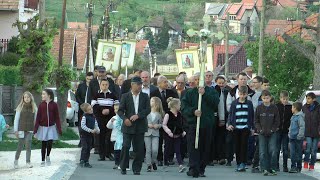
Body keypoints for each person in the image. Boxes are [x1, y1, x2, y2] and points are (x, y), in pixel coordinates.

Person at [182, 81, 220, 177]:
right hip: (193, 124)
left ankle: (201, 168)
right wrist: (193, 111)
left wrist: (204, 94)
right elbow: (184, 107)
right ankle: (193, 168)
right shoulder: (189, 93)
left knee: (205, 147)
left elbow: (215, 103)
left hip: (207, 124)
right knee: (193, 147)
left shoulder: (211, 91)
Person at [118, 77, 151, 175]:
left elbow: (148, 109)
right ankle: (123, 167)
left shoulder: (145, 96)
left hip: (140, 125)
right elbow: (120, 110)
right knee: (125, 146)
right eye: (138, 84)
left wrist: (138, 115)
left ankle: (137, 168)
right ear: (132, 85)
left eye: (141, 84)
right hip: (128, 125)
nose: (140, 86)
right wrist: (125, 119)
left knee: (139, 148)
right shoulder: (125, 96)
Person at [150, 75, 178, 166]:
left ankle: (169, 157)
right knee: (159, 139)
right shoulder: (153, 93)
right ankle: (159, 158)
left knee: (169, 139)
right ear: (159, 84)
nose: (166, 84)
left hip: (169, 119)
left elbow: (175, 104)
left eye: (167, 82)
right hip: (157, 119)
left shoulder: (171, 92)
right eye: (164, 82)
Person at [227, 86, 254, 172]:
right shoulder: (234, 103)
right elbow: (230, 115)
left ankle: (243, 163)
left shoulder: (249, 103)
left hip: (245, 128)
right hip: (236, 128)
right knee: (237, 146)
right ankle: (238, 163)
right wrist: (229, 124)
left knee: (244, 146)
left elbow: (252, 116)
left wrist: (252, 127)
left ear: (246, 94)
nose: (242, 96)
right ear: (238, 93)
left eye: (244, 94)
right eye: (241, 94)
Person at [91, 79, 118, 161]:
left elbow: (116, 105)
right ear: (100, 85)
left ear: (108, 85)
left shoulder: (113, 95)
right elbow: (94, 105)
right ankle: (101, 154)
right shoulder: (96, 95)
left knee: (109, 136)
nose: (104, 86)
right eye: (103, 84)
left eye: (106, 84)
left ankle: (109, 153)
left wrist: (109, 110)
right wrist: (102, 110)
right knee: (101, 136)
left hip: (110, 118)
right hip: (100, 118)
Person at [34, 89, 62, 167]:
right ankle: (42, 160)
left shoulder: (54, 105)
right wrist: (35, 129)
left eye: (44, 94)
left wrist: (59, 129)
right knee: (43, 143)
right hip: (43, 127)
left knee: (50, 142)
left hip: (51, 127)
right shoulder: (41, 105)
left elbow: (57, 117)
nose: (42, 96)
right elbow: (38, 117)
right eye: (42, 94)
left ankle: (48, 156)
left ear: (49, 95)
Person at [255, 90, 280, 176]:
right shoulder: (259, 108)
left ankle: (272, 168)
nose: (266, 99)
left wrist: (273, 130)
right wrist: (259, 129)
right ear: (262, 98)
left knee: (273, 151)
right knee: (262, 152)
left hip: (272, 133)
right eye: (264, 98)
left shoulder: (274, 108)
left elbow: (277, 121)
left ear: (270, 98)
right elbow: (256, 121)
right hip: (262, 133)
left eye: (267, 98)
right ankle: (264, 169)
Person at [13, 92, 37, 169]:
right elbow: (16, 119)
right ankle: (16, 161)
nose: (26, 99)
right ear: (23, 98)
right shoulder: (20, 107)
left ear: (31, 98)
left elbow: (35, 120)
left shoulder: (34, 108)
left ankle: (28, 162)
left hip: (30, 130)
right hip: (21, 130)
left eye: (28, 97)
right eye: (25, 97)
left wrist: (35, 130)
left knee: (28, 147)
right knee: (20, 147)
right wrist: (15, 130)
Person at [163, 98, 187, 172]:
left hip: (177, 135)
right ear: (175, 106)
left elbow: (180, 124)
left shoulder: (179, 114)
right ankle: (165, 161)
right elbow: (164, 124)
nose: (180, 106)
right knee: (168, 149)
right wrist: (169, 132)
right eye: (179, 105)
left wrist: (182, 132)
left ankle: (180, 165)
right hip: (169, 135)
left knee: (178, 150)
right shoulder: (168, 114)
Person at [144, 97, 164, 172]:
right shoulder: (147, 112)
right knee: (148, 149)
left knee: (155, 149)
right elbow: (143, 122)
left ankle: (153, 161)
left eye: (152, 101)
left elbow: (162, 124)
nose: (151, 102)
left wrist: (158, 126)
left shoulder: (159, 114)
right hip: (147, 133)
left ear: (156, 103)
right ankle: (149, 165)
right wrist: (147, 124)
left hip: (155, 133)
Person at [213, 76, 229, 166]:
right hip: (215, 117)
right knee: (214, 137)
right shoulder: (213, 91)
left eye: (223, 83)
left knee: (222, 138)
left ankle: (222, 157)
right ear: (216, 82)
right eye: (219, 83)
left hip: (224, 117)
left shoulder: (227, 92)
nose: (221, 85)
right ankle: (214, 157)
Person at [302, 92, 320, 170]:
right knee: (308, 148)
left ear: (314, 99)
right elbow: (301, 119)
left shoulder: (318, 108)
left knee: (314, 150)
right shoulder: (304, 107)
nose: (307, 100)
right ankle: (306, 162)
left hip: (316, 132)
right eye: (307, 98)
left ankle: (312, 164)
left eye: (309, 98)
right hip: (307, 131)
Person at [275, 91, 292, 172]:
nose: (285, 100)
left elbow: (292, 119)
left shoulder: (290, 107)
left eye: (286, 99)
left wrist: (290, 128)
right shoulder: (277, 106)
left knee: (285, 149)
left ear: (288, 98)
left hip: (286, 131)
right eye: (283, 99)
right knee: (277, 148)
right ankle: (276, 165)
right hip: (278, 130)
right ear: (280, 98)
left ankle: (285, 166)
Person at [76, 72, 94, 147]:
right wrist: (82, 105)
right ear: (86, 78)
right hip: (82, 108)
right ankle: (81, 140)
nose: (89, 80)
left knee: (90, 124)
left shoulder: (94, 86)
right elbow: (77, 96)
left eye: (91, 79)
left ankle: (91, 142)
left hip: (90, 109)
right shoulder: (81, 86)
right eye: (88, 79)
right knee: (81, 124)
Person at [79, 103, 100, 168]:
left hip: (90, 135)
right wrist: (90, 130)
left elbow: (96, 124)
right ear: (85, 111)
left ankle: (86, 161)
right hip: (84, 135)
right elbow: (83, 126)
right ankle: (82, 159)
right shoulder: (84, 117)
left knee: (89, 148)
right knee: (85, 147)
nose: (91, 110)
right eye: (89, 109)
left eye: (91, 108)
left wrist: (98, 130)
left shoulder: (93, 117)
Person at [288, 102, 305, 173]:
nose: (291, 109)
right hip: (292, 137)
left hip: (298, 138)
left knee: (298, 153)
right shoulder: (293, 116)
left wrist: (300, 136)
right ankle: (293, 166)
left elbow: (302, 126)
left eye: (292, 107)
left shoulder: (300, 116)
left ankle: (298, 167)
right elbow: (291, 127)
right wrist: (289, 133)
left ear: (295, 108)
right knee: (292, 153)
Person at [107, 103, 124, 169]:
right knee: (116, 151)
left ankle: (122, 163)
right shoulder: (114, 118)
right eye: (115, 109)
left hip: (122, 137)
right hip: (115, 137)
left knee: (122, 151)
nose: (116, 110)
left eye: (117, 109)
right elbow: (108, 126)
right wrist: (111, 121)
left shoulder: (124, 117)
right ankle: (117, 163)